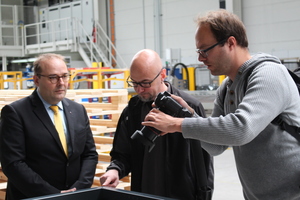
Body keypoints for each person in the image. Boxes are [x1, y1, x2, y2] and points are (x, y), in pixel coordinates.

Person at [142, 9, 300, 200]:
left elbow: (241, 128)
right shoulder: (227, 87)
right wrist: (186, 114)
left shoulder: (269, 74)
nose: (200, 58)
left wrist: (176, 124)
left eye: (205, 50)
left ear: (231, 43)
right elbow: (215, 147)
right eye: (198, 51)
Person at [100, 49, 214, 200]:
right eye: (134, 83)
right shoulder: (132, 111)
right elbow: (122, 154)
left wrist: (204, 194)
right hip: (143, 194)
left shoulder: (189, 107)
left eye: (145, 83)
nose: (140, 90)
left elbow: (204, 161)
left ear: (162, 75)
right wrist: (114, 170)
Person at [0, 53, 98, 200]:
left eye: (65, 76)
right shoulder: (15, 113)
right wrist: (53, 195)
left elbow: (89, 154)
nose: (61, 83)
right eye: (53, 77)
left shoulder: (78, 110)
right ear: (36, 80)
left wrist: (79, 189)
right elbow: (13, 164)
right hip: (34, 197)